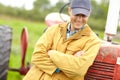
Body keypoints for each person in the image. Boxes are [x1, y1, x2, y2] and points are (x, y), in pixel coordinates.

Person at [23, 0, 101, 80]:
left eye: (84, 16)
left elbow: (79, 70)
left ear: (89, 13)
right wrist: (61, 67)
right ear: (69, 10)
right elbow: (37, 56)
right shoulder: (53, 29)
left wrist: (52, 53)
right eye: (76, 14)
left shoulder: (93, 41)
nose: (79, 19)